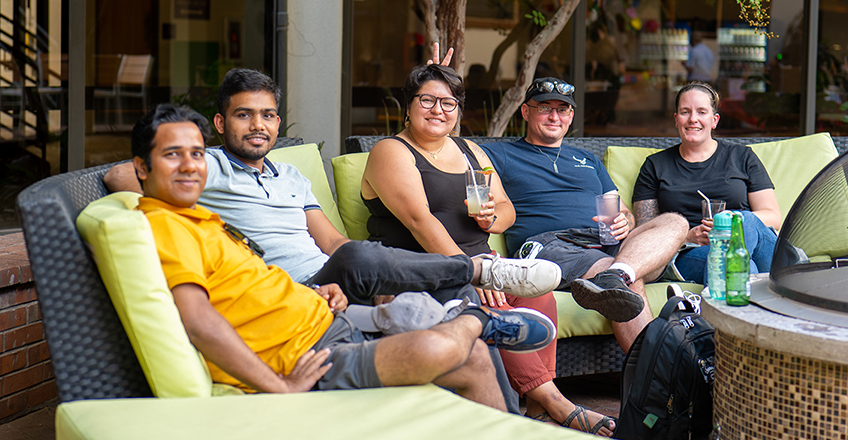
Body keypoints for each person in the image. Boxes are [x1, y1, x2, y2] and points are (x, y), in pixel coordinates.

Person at [104, 67, 561, 413]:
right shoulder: (207, 172)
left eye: (266, 115)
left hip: (326, 284)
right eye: (243, 115)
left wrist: (376, 273)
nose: (257, 125)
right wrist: (190, 174)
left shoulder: (290, 175)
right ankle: (477, 280)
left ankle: (508, 421)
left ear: (279, 122)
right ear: (220, 124)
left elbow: (331, 241)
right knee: (387, 267)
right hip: (298, 304)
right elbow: (118, 174)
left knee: (364, 257)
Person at [360, 63, 613, 436]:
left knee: (538, 296)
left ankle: (536, 407)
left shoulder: (470, 151)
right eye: (427, 100)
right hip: (421, 266)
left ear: (459, 111)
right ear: (409, 105)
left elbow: (507, 210)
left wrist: (491, 220)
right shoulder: (391, 151)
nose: (438, 110)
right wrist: (472, 271)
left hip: (483, 263)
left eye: (448, 103)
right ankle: (557, 404)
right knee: (489, 305)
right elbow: (420, 222)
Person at [480, 77, 689, 353]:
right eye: (545, 108)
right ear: (525, 111)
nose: (554, 116)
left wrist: (624, 220)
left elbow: (621, 210)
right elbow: (445, 149)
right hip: (551, 245)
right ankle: (655, 375)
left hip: (604, 242)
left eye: (562, 110)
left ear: (571, 116)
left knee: (675, 222)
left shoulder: (587, 159)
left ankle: (618, 272)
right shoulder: (500, 153)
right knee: (627, 280)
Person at [632, 81, 780, 283]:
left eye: (702, 112)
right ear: (676, 120)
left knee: (744, 222)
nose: (693, 119)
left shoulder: (742, 157)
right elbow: (644, 234)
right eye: (685, 112)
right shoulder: (655, 166)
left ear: (714, 120)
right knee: (743, 266)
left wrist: (730, 222)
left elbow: (773, 216)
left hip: (756, 246)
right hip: (693, 252)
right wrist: (686, 237)